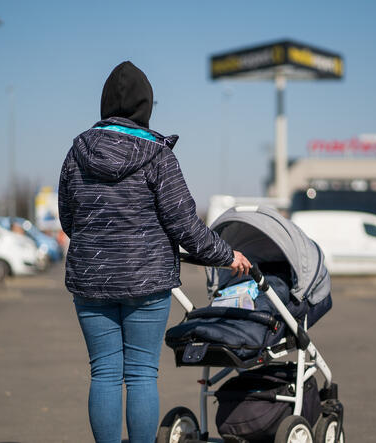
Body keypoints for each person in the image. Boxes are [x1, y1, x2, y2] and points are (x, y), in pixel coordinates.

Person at [57, 61, 251, 443]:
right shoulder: (158, 156)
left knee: (104, 373)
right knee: (142, 373)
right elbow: (185, 227)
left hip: (90, 281)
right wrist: (227, 254)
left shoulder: (76, 152)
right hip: (147, 282)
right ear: (146, 106)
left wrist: (98, 242)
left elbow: (68, 219)